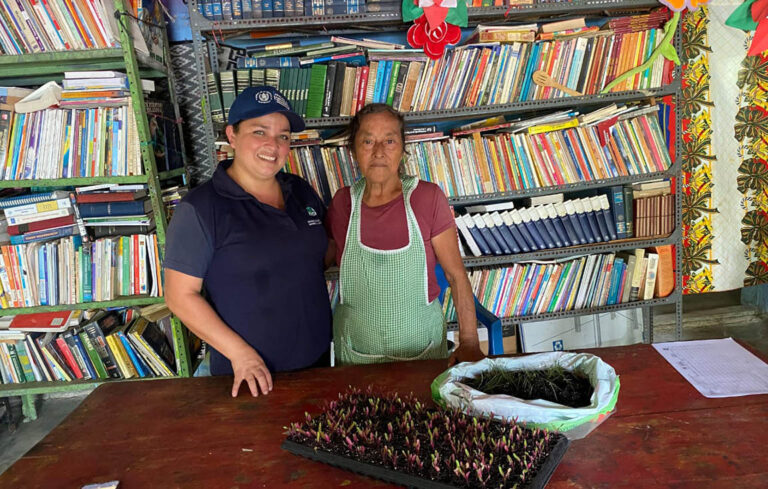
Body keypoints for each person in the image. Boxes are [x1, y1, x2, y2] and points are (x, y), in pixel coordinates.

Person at [164, 86, 331, 397]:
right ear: (232, 135)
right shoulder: (200, 208)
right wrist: (241, 355)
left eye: (283, 136)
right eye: (259, 131)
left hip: (319, 361)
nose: (273, 145)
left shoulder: (300, 190)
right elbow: (179, 296)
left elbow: (318, 254)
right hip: (252, 376)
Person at [326, 104, 484, 365]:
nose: (379, 152)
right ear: (353, 150)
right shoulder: (342, 204)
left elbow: (456, 275)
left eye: (389, 141)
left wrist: (469, 342)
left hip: (422, 351)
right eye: (368, 141)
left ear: (402, 148)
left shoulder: (427, 198)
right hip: (356, 356)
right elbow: (321, 260)